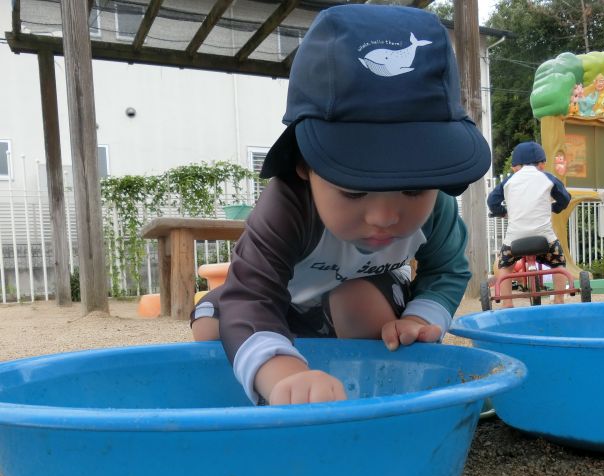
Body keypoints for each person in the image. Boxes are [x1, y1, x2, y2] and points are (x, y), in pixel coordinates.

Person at [191, 4, 491, 406]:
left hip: (361, 304)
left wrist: (422, 318)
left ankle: (373, 390)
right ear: (304, 165)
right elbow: (252, 294)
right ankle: (253, 381)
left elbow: (448, 270)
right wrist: (283, 372)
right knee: (213, 322)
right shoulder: (287, 206)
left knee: (355, 299)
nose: (384, 217)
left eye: (413, 190)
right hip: (285, 302)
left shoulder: (437, 208)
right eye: (353, 189)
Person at [487, 141, 571, 308]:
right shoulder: (547, 178)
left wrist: (502, 212)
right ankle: (559, 300)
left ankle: (507, 303)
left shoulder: (509, 181)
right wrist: (555, 207)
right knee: (559, 262)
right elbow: (565, 198)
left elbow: (492, 201)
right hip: (545, 240)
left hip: (515, 241)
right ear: (541, 164)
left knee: (505, 265)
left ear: (515, 166)